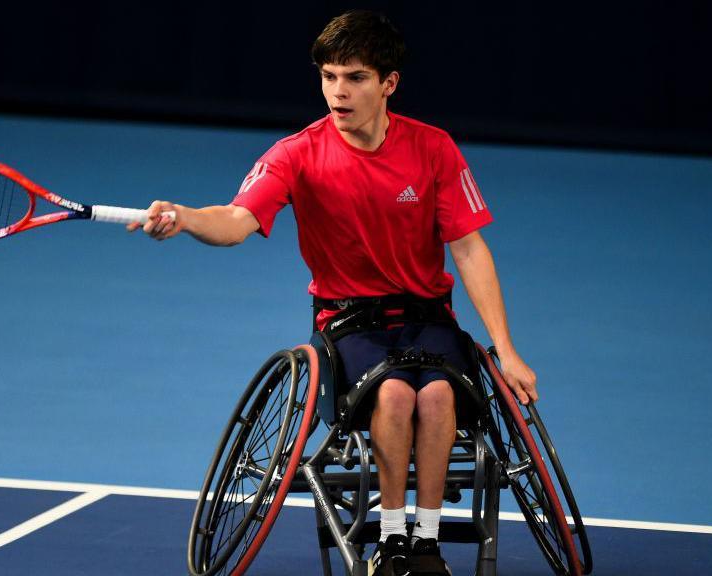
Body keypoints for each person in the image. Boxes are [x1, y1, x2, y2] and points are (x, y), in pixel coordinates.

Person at [129, 9, 538, 576]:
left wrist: (506, 348)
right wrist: (185, 217)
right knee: (394, 396)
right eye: (328, 77)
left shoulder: (434, 148)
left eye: (355, 77)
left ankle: (425, 543)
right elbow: (236, 219)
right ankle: (393, 543)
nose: (337, 93)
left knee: (439, 397)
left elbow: (469, 249)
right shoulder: (297, 154)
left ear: (389, 82)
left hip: (429, 318)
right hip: (348, 324)